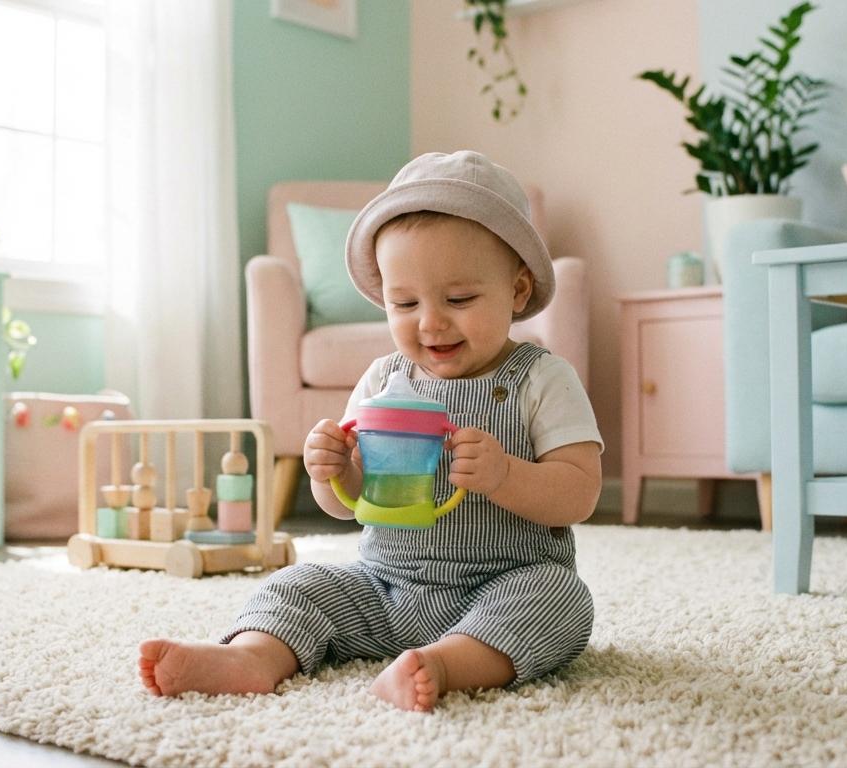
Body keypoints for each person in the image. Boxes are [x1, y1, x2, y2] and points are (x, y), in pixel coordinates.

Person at [138, 151, 602, 712]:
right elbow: (347, 506)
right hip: (383, 587)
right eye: (404, 303)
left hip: (503, 584)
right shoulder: (384, 379)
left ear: (518, 291)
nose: (430, 322)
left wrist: (505, 474)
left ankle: (447, 664)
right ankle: (251, 657)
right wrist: (332, 471)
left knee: (562, 600)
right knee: (298, 583)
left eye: (459, 299)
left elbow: (579, 492)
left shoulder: (543, 378)